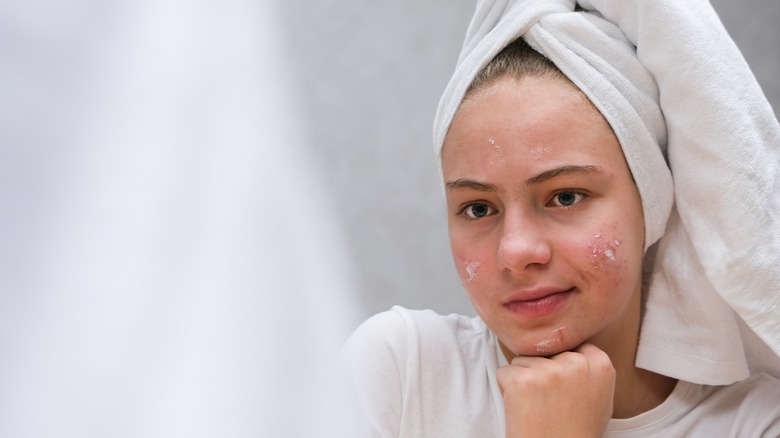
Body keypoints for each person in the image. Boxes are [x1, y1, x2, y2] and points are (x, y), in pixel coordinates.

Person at [343, 0, 780, 436]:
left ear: (652, 203)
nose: (515, 251)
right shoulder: (402, 375)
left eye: (566, 197)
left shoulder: (756, 423)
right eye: (478, 208)